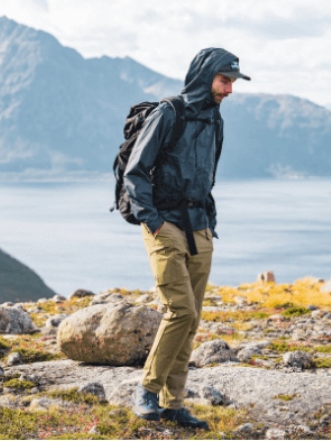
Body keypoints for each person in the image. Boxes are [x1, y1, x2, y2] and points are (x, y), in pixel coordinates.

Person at [124, 48, 250, 429]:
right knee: (179, 310)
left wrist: (209, 223)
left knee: (191, 319)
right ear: (206, 76)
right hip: (166, 224)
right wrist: (154, 222)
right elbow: (135, 173)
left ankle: (173, 404)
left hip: (200, 226)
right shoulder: (169, 113)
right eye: (225, 81)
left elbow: (208, 177)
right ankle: (146, 389)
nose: (229, 90)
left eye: (232, 82)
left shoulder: (215, 120)